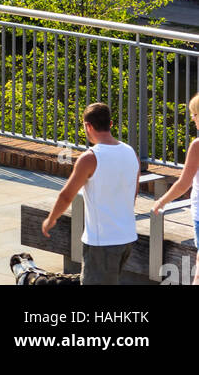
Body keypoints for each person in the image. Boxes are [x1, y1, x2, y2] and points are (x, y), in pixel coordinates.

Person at [42, 102, 140, 286]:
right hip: (126, 238)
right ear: (110, 124)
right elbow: (133, 191)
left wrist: (51, 219)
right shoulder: (130, 152)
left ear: (88, 126)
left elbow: (66, 195)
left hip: (102, 242)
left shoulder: (90, 158)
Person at [152, 92, 199, 285]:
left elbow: (183, 183)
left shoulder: (197, 146)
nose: (193, 120)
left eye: (194, 115)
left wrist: (162, 201)